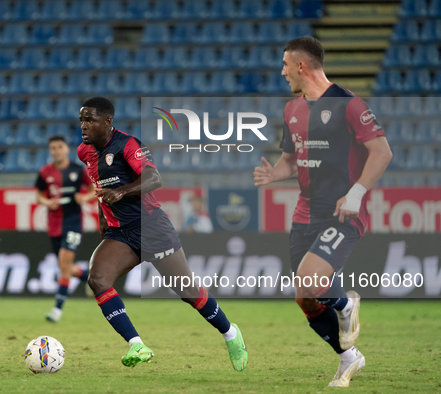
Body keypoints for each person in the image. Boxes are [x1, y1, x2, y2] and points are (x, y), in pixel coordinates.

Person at [253, 37, 392, 387]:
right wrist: (274, 173)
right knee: (304, 297)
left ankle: (345, 305)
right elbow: (290, 160)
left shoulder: (349, 104)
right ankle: (348, 357)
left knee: (311, 281)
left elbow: (382, 152)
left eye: (285, 65)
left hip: (342, 213)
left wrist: (356, 193)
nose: (282, 72)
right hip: (304, 215)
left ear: (301, 66)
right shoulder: (291, 110)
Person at [77, 96, 247, 370]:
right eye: (81, 120)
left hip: (152, 228)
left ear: (107, 121)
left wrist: (121, 191)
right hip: (121, 233)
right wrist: (102, 218)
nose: (83, 126)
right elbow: (100, 187)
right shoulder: (84, 152)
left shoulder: (127, 144)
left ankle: (231, 333)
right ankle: (136, 344)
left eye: (89, 120)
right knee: (98, 278)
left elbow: (155, 178)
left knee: (187, 291)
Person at [36, 135, 95, 323]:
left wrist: (84, 198)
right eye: (53, 148)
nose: (56, 151)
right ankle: (91, 278)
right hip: (54, 225)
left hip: (73, 223)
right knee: (66, 267)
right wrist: (47, 202)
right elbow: (38, 195)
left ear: (66, 149)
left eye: (59, 147)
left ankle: (57, 310)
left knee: (63, 265)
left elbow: (95, 189)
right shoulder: (45, 172)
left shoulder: (78, 170)